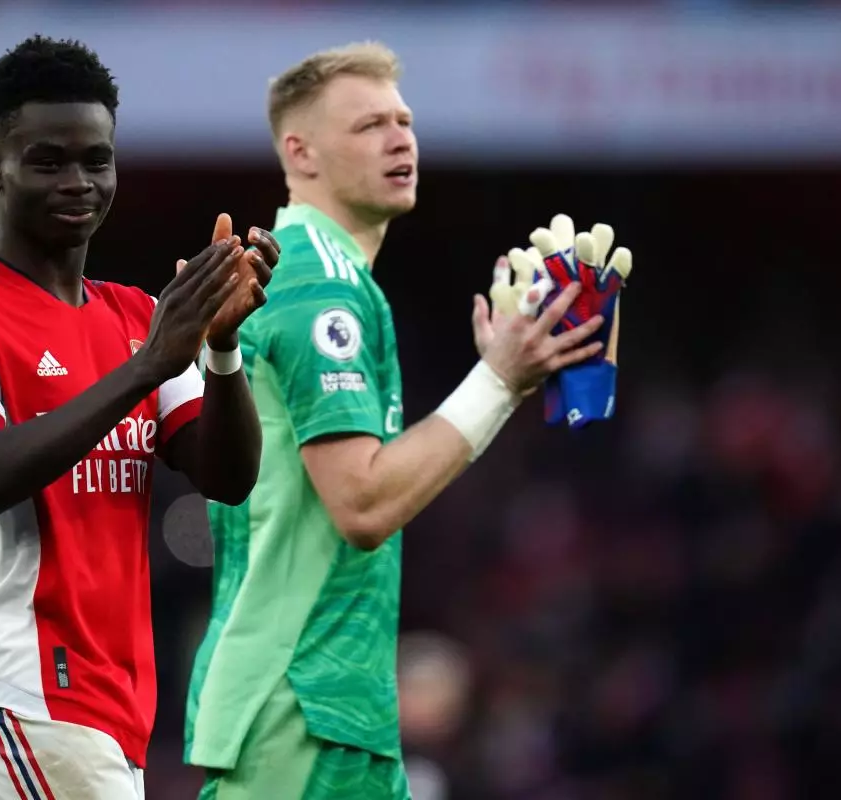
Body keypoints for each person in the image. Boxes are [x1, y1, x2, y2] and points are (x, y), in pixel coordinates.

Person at [184, 41, 607, 799]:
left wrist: (503, 379)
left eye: (404, 121)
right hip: (302, 708)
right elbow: (363, 503)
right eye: (369, 124)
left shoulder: (334, 278)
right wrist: (499, 381)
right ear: (300, 151)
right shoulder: (318, 286)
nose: (399, 138)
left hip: (330, 708)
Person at [0, 35, 279, 800]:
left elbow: (229, 478)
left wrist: (222, 349)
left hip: (112, 700)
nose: (79, 181)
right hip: (21, 682)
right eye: (47, 160)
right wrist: (146, 368)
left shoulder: (136, 316)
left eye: (96, 160)